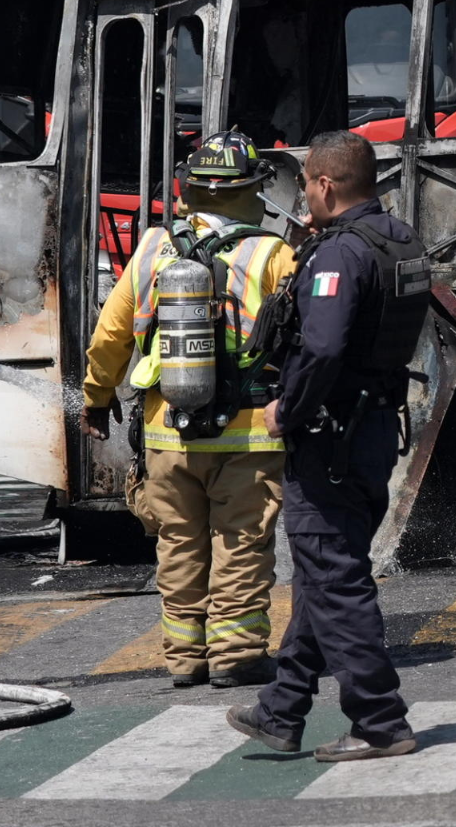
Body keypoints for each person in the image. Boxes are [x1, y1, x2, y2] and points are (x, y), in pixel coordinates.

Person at [227, 130, 431, 763]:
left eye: (307, 186)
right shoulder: (400, 240)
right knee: (326, 574)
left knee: (336, 580)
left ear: (325, 184)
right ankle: (282, 711)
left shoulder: (340, 254)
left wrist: (288, 409)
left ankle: (379, 720)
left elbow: (322, 348)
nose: (304, 198)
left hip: (330, 441)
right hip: (370, 435)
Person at [80, 131, 293, 689]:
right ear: (253, 190)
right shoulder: (273, 253)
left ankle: (185, 658)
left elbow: (110, 337)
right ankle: (237, 654)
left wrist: (96, 399)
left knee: (177, 543)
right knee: (240, 542)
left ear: (189, 192)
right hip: (248, 434)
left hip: (166, 432)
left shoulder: (153, 249)